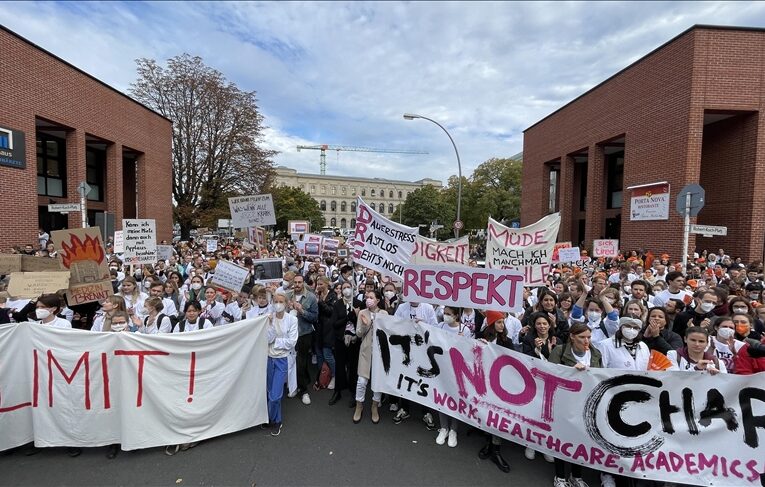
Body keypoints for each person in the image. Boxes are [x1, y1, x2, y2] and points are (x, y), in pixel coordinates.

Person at [548, 322, 601, 487]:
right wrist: (571, 370)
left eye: (589, 337)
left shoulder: (595, 354)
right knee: (562, 439)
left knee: (580, 440)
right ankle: (560, 476)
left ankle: (576, 475)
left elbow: (602, 376)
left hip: (586, 405)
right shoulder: (560, 351)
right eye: (582, 337)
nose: (586, 341)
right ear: (572, 336)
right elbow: (550, 372)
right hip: (563, 403)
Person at [476, 310, 511, 473]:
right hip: (484, 383)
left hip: (501, 385)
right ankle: (488, 443)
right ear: (491, 324)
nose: (501, 325)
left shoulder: (508, 342)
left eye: (503, 322)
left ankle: (496, 449)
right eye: (498, 322)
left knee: (498, 415)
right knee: (487, 412)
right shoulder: (481, 338)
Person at [264, 292, 298, 437]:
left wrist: (276, 343)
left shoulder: (292, 320)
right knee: (269, 391)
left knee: (275, 395)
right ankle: (273, 419)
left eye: (281, 301)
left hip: (282, 359)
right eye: (276, 301)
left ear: (286, 303)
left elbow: (291, 342)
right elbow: (267, 338)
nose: (278, 304)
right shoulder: (268, 318)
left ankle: (274, 418)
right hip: (268, 359)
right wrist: (270, 324)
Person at [435, 306, 468, 448]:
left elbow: (468, 352)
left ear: (456, 316)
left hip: (457, 370)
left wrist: (462, 341)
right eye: (444, 313)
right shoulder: (440, 326)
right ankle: (444, 428)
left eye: (449, 314)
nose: (445, 316)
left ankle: (454, 429)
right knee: (441, 396)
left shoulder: (465, 330)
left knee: (455, 398)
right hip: (442, 366)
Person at [353, 290, 387, 424]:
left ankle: (374, 406)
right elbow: (358, 334)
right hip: (365, 350)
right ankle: (359, 405)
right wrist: (365, 325)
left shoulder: (384, 314)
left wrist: (374, 323)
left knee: (377, 381)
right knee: (362, 380)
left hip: (380, 351)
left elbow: (386, 333)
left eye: (371, 297)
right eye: (367, 297)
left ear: (378, 300)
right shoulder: (362, 313)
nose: (368, 299)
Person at [291, 274, 318, 406]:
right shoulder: (286, 295)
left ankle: (304, 391)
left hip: (304, 334)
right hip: (289, 335)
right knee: (294, 362)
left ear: (303, 283)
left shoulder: (311, 297)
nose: (297, 284)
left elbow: (314, 318)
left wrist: (301, 311)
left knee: (301, 361)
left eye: (299, 282)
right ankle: (297, 384)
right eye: (295, 282)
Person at [331, 281, 357, 406]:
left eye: (348, 287)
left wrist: (355, 316)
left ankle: (353, 392)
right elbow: (334, 323)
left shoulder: (358, 303)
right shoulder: (337, 304)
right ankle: (338, 391)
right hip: (340, 340)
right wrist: (347, 317)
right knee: (339, 366)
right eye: (344, 288)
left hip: (354, 341)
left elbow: (363, 322)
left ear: (353, 289)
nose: (346, 290)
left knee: (353, 367)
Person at [314, 276, 337, 390]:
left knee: (327, 355)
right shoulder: (316, 295)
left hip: (328, 330)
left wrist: (321, 302)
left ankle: (334, 376)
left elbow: (330, 311)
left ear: (327, 284)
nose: (319, 286)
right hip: (318, 329)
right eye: (318, 284)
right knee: (319, 355)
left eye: (321, 284)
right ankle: (321, 377)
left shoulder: (333, 295)